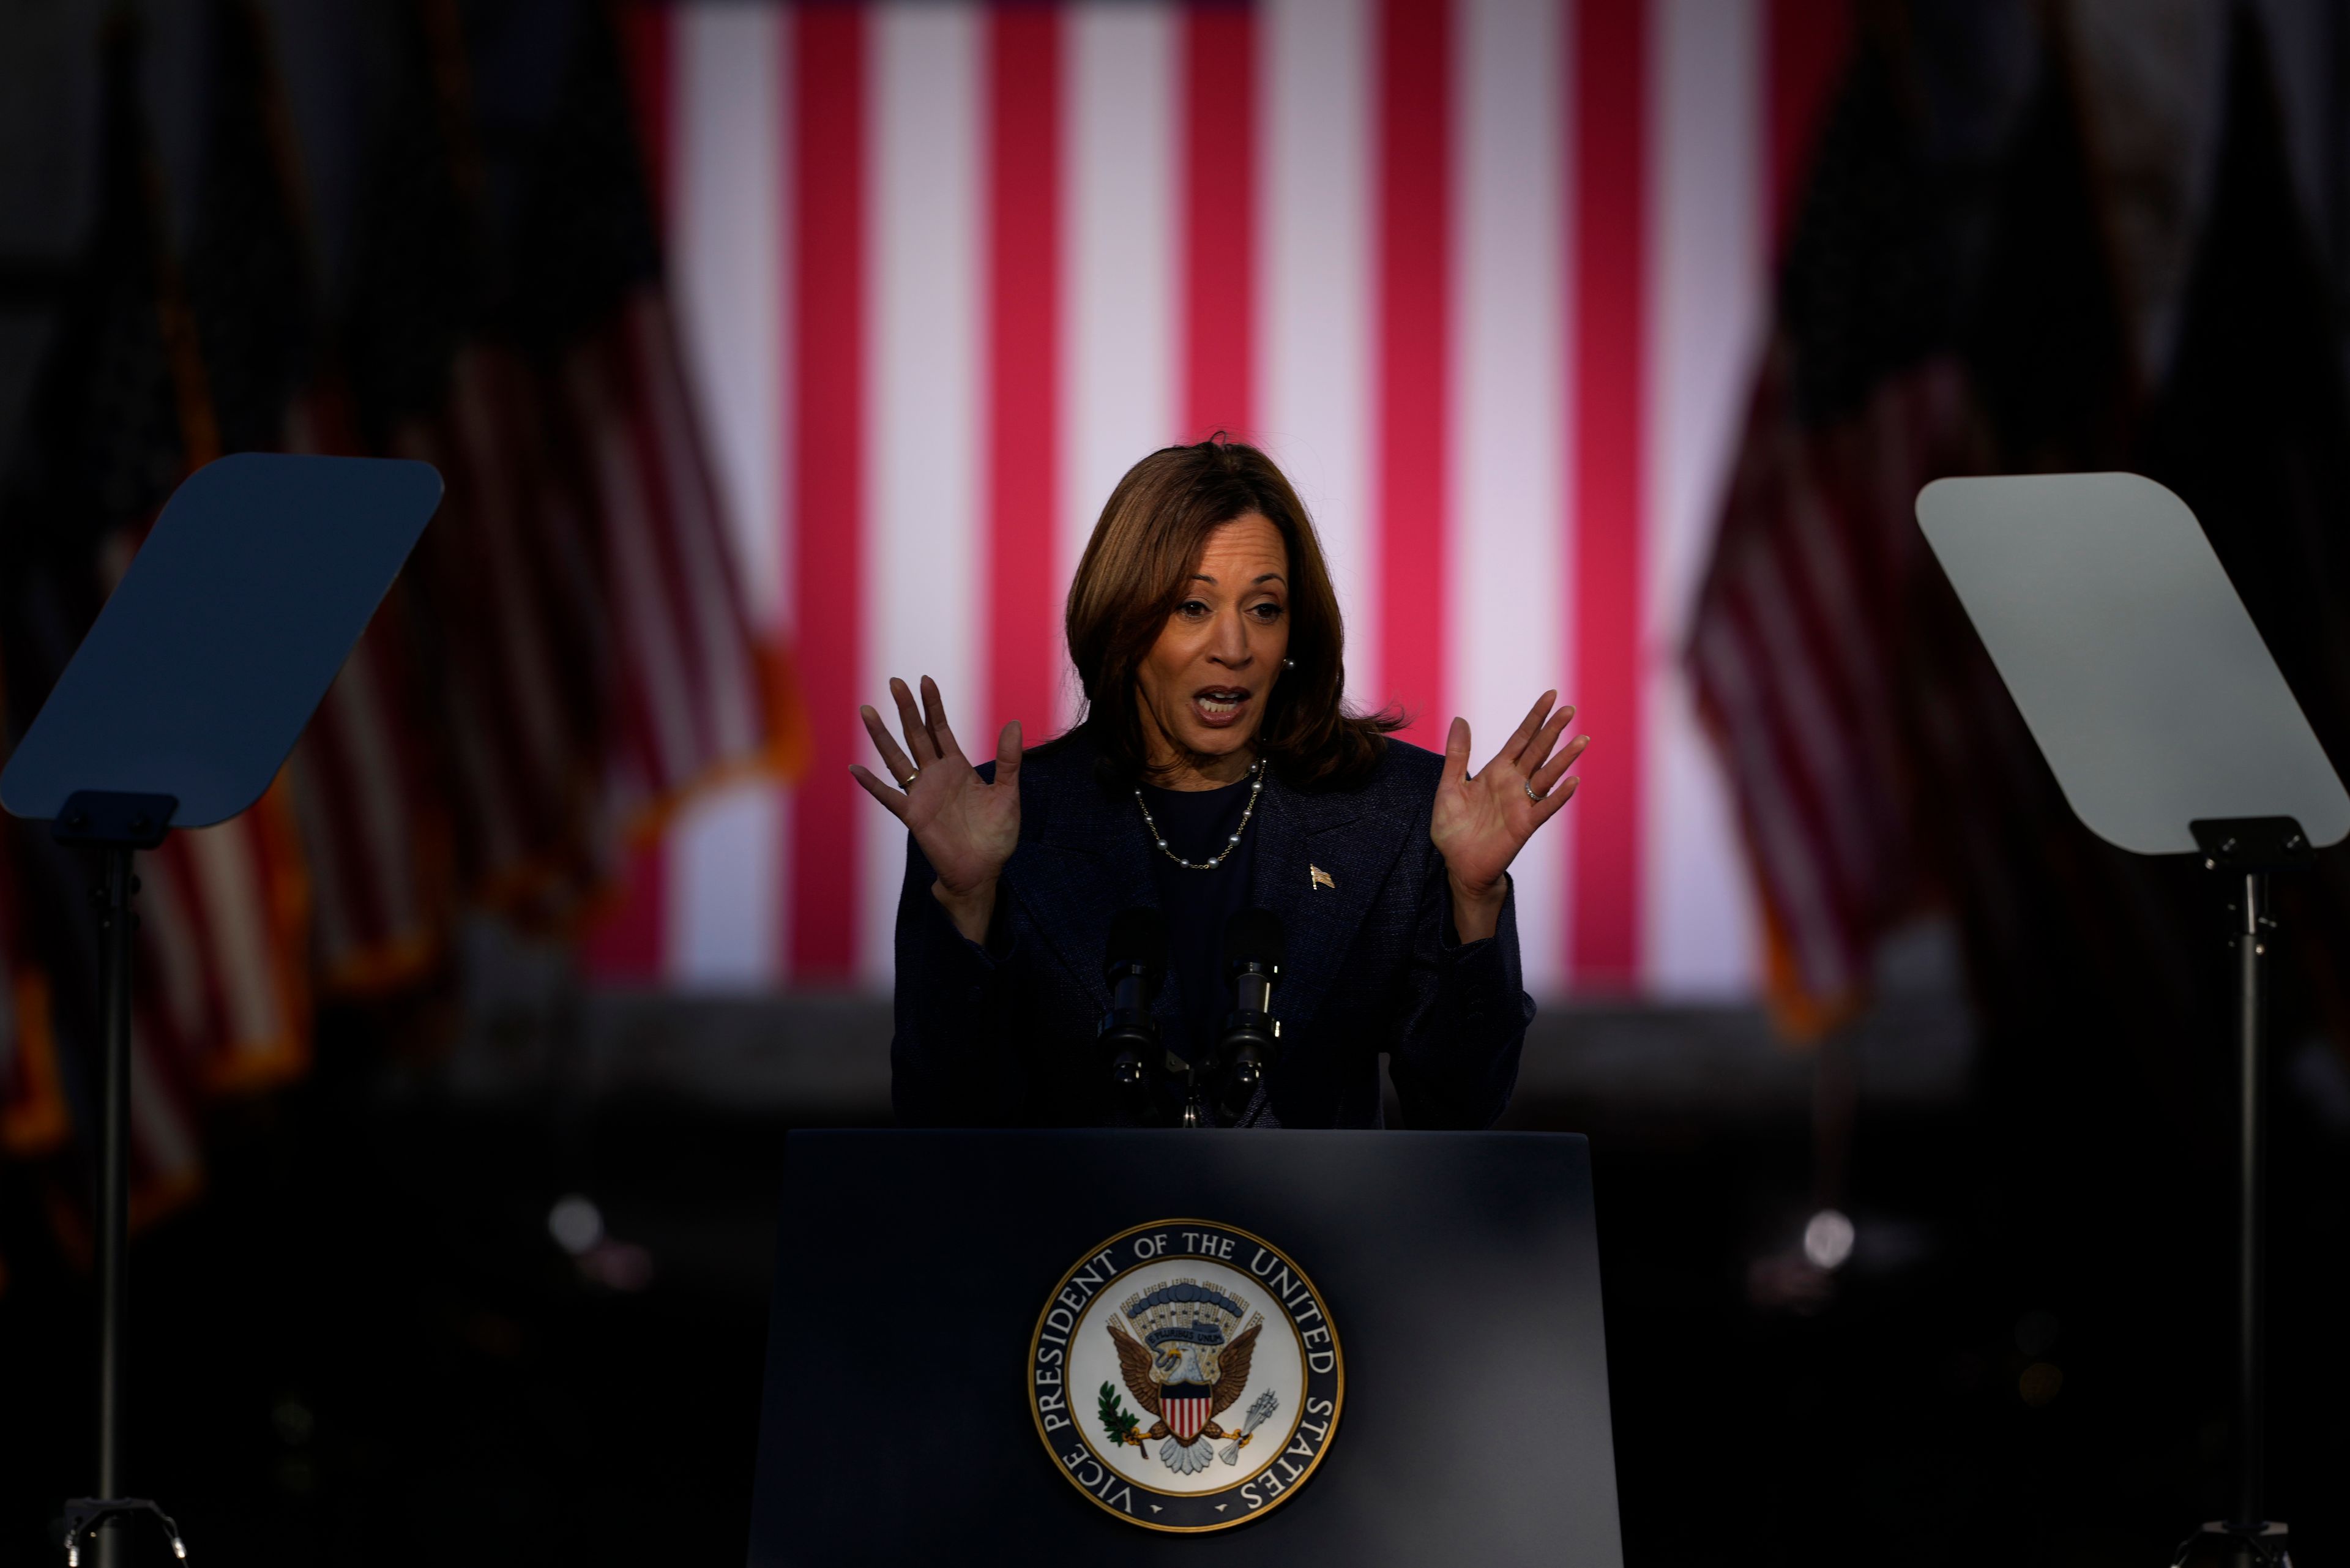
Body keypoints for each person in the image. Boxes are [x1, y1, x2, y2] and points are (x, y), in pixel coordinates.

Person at [853, 438, 1587, 1128]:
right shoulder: (1005, 825)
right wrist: (968, 903)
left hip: (1312, 1258)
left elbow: (1461, 1109)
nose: (1233, 648)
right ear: (1123, 624)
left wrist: (1474, 900)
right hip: (1081, 1256)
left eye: (1264, 609)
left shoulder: (1397, 816)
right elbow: (941, 1119)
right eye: (1192, 608)